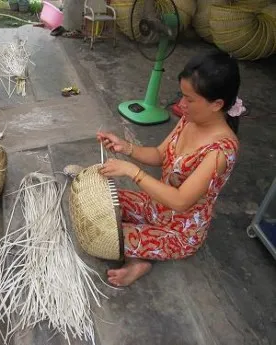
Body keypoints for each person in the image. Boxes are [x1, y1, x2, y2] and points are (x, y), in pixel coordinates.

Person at [97, 51, 243, 287]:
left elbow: (181, 201)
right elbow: (160, 154)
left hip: (179, 232)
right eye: (181, 95)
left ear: (217, 104)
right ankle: (140, 254)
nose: (181, 104)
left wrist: (132, 171)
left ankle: (140, 261)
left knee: (104, 235)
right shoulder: (190, 118)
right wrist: (126, 148)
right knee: (102, 201)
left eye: (189, 99)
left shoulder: (221, 151)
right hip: (154, 206)